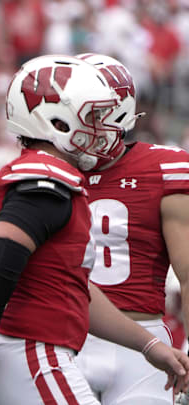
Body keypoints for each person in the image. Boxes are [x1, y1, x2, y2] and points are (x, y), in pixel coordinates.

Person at [0, 54, 189, 405]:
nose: (106, 129)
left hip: (72, 342)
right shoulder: (44, 181)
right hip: (35, 346)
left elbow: (74, 285)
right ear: (56, 121)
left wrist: (149, 345)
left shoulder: (40, 175)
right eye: (92, 117)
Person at [72, 53, 189, 404]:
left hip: (142, 347)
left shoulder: (165, 167)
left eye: (87, 111)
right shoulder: (42, 169)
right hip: (62, 338)